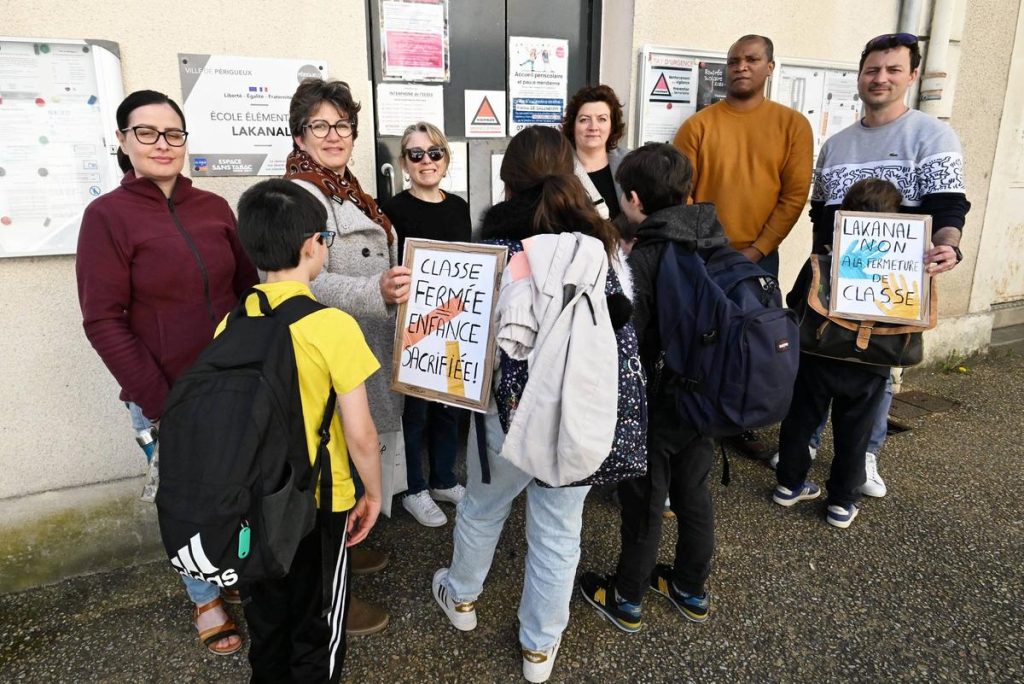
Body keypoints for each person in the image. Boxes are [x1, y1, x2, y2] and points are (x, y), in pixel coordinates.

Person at [430, 126, 623, 684]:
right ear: (570, 173)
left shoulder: (491, 251)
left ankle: (461, 597)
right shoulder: (602, 248)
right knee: (560, 530)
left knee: (483, 507)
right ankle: (539, 649)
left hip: (506, 413)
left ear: (506, 181)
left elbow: (464, 341)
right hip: (580, 411)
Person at [76, 90, 258, 655]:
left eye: (173, 134)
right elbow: (103, 320)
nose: (162, 144)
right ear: (123, 141)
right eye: (147, 133)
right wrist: (161, 401)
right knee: (186, 499)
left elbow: (249, 288)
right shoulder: (106, 216)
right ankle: (205, 597)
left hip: (232, 386)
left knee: (238, 488)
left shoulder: (213, 208)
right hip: (165, 395)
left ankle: (238, 567)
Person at [786, 32, 971, 509]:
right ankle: (802, 452)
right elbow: (819, 214)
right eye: (872, 69)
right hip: (832, 282)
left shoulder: (932, 136)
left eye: (893, 69)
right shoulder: (837, 144)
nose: (880, 78)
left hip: (893, 286)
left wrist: (949, 247)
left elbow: (948, 208)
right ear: (860, 75)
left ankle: (865, 455)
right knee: (819, 364)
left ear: (912, 76)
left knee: (877, 370)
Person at [232, 178, 383, 682]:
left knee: (268, 616)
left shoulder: (234, 320)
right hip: (321, 498)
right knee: (319, 620)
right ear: (311, 247)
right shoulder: (333, 326)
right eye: (324, 240)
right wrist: (374, 493)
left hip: (257, 496)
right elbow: (359, 432)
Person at [286, 78, 409, 635]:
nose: (334, 135)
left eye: (342, 125)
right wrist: (375, 292)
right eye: (321, 125)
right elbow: (302, 279)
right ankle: (331, 594)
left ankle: (349, 540)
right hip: (329, 345)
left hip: (360, 340)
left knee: (346, 462)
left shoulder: (344, 187)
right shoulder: (300, 195)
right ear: (300, 133)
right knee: (331, 463)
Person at [579, 143, 720, 632]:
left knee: (645, 501)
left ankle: (627, 597)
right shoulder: (714, 239)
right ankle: (689, 588)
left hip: (656, 401)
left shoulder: (645, 259)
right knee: (693, 495)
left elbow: (627, 342)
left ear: (634, 199)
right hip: (705, 398)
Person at [673, 35, 813, 459]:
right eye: (734, 60)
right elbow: (683, 193)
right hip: (704, 257)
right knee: (702, 339)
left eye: (752, 59)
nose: (741, 67)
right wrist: (711, 248)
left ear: (770, 67)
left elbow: (794, 196)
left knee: (752, 340)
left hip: (759, 258)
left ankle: (743, 415)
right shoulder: (698, 126)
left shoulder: (792, 126)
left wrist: (758, 249)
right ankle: (700, 420)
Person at [773, 178, 906, 528]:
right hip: (871, 361)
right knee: (855, 435)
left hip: (817, 355)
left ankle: (789, 485)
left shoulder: (823, 258)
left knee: (800, 422)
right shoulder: (900, 265)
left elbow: (794, 300)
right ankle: (841, 503)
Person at [381, 122, 471, 527]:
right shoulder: (393, 211)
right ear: (404, 163)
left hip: (453, 325)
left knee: (449, 407)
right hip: (414, 328)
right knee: (415, 412)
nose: (426, 161)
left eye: (434, 152)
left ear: (446, 160)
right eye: (415, 154)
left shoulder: (459, 207)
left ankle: (443, 479)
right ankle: (414, 488)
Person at [562, 84, 629, 220]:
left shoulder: (630, 163)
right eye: (584, 120)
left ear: (612, 126)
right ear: (573, 126)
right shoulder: (559, 168)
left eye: (602, 119)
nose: (593, 127)